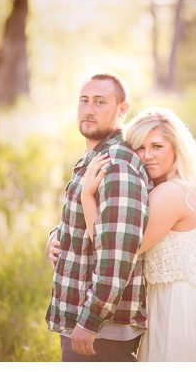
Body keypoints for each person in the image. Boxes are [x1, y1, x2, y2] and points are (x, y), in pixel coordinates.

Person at [80, 107, 196, 362]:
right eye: (140, 148)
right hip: (182, 305)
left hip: (180, 311)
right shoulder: (172, 189)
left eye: (157, 146)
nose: (147, 155)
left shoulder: (171, 193)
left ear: (176, 149)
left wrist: (87, 196)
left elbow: (115, 248)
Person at [45, 72, 150, 361]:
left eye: (100, 102)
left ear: (122, 109)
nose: (89, 109)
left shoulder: (116, 166)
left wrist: (91, 320)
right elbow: (92, 223)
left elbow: (117, 253)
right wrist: (56, 237)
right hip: (84, 321)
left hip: (103, 332)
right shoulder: (95, 157)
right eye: (84, 100)